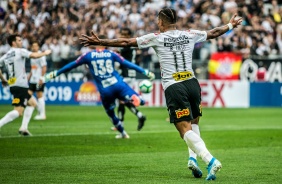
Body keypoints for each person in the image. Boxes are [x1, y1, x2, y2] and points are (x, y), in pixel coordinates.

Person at [79, 8, 242, 180]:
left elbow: (127, 43)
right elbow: (214, 32)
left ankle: (210, 160)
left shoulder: (156, 37)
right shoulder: (190, 34)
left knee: (183, 129)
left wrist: (101, 42)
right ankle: (192, 159)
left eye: (158, 20)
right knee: (193, 123)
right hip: (192, 84)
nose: (157, 23)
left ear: (161, 22)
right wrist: (230, 25)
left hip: (174, 86)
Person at [44, 35, 155, 139]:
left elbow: (71, 65)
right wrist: (144, 71)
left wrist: (55, 73)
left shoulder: (88, 56)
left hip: (105, 89)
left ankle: (123, 133)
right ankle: (137, 99)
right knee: (132, 97)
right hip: (117, 84)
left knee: (111, 113)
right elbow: (127, 63)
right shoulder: (111, 53)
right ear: (105, 43)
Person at [0, 34, 51, 136]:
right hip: (20, 86)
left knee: (32, 103)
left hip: (13, 84)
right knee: (18, 112)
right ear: (13, 43)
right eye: (19, 40)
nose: (21, 42)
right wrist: (45, 53)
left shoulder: (5, 56)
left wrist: (3, 80)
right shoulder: (20, 51)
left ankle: (23, 128)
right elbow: (34, 55)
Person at [112, 28, 146, 131]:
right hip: (128, 75)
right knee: (122, 100)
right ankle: (125, 121)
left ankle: (123, 123)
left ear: (130, 36)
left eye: (126, 35)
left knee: (122, 100)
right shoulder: (130, 46)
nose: (124, 37)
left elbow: (116, 52)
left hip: (127, 76)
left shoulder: (127, 46)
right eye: (122, 34)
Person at [28, 41, 47, 120]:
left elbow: (44, 67)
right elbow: (33, 68)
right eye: (33, 46)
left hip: (39, 79)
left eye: (36, 46)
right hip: (33, 79)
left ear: (38, 47)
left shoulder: (41, 55)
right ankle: (39, 109)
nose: (34, 47)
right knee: (28, 94)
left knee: (39, 95)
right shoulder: (32, 56)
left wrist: (41, 78)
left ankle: (42, 114)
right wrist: (29, 76)